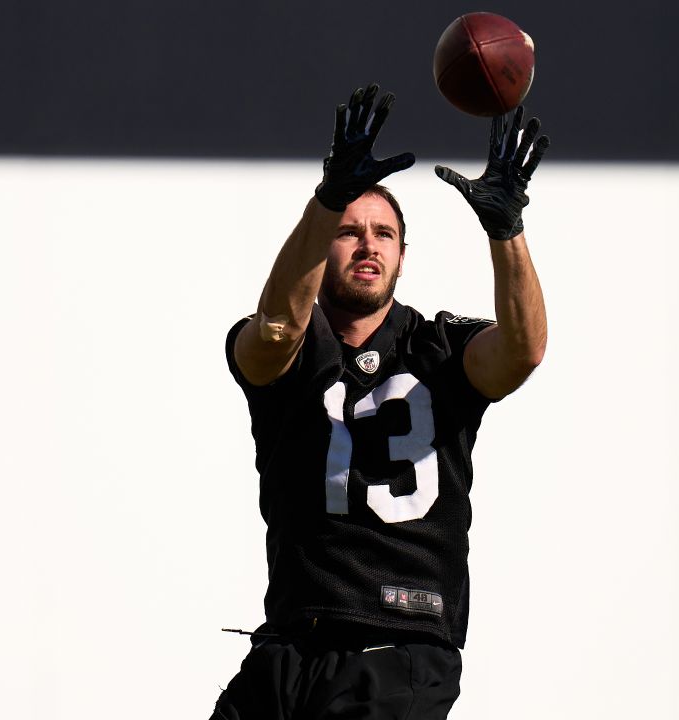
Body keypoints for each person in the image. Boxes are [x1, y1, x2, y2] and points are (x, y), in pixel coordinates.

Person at [213, 83, 549, 719]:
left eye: (384, 233)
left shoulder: (439, 347)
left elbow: (521, 352)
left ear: (401, 255)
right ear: (323, 244)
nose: (368, 245)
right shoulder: (292, 345)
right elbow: (275, 333)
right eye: (348, 231)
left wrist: (506, 229)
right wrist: (327, 198)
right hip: (288, 647)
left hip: (397, 648)